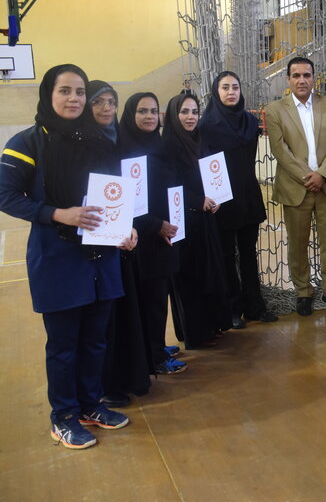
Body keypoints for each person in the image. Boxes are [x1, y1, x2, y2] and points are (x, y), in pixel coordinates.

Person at [0, 65, 133, 449]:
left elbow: (113, 193)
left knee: (95, 339)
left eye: (79, 92)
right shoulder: (27, 143)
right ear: (49, 94)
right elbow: (5, 195)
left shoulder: (99, 139)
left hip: (101, 256)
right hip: (58, 257)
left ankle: (91, 405)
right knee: (63, 345)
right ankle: (63, 417)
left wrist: (126, 226)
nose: (74, 98)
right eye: (65, 91)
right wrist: (57, 213)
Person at [88, 81, 153, 408]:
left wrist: (129, 226)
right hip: (94, 244)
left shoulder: (119, 142)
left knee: (124, 313)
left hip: (122, 242)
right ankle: (103, 385)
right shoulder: (82, 144)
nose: (106, 108)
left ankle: (126, 377)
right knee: (103, 321)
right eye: (98, 102)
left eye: (111, 102)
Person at [266, 57, 326, 315]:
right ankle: (303, 292)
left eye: (307, 75)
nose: (302, 80)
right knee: (298, 244)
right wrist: (309, 177)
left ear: (313, 78)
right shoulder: (275, 110)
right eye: (296, 75)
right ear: (288, 79)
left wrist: (322, 175)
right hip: (295, 188)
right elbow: (280, 151)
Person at [199, 71, 277, 328]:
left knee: (248, 255)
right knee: (225, 256)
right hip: (222, 199)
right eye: (225, 87)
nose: (231, 92)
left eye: (235, 87)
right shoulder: (206, 126)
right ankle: (231, 309)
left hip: (248, 195)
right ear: (216, 91)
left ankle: (254, 306)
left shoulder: (251, 122)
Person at [119, 92, 187, 376]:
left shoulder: (156, 144)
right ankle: (154, 357)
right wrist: (156, 225)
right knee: (151, 301)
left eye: (153, 111)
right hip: (146, 239)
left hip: (164, 234)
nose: (149, 116)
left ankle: (155, 346)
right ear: (130, 114)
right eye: (142, 111)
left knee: (158, 298)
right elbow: (129, 204)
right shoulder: (126, 149)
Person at [163, 92, 229, 348]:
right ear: (173, 114)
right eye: (184, 112)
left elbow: (212, 175)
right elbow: (168, 186)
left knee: (207, 274)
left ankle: (210, 326)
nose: (191, 117)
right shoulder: (168, 145)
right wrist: (195, 200)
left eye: (194, 112)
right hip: (183, 222)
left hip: (205, 220)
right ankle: (195, 334)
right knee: (189, 279)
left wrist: (217, 196)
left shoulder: (200, 139)